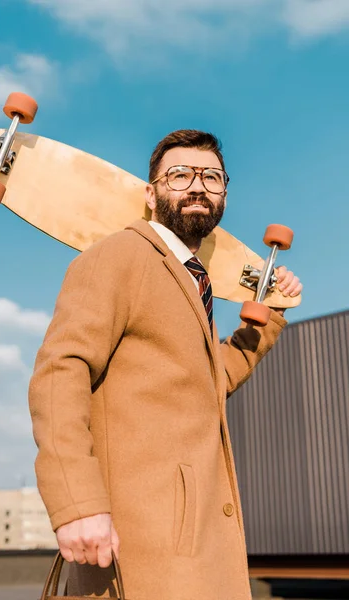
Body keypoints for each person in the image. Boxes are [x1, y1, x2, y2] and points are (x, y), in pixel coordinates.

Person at [28, 130, 302, 600]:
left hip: (195, 543)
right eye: (180, 175)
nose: (198, 186)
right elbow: (61, 371)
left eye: (212, 178)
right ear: (151, 194)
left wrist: (271, 312)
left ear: (224, 195)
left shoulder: (193, 282)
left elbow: (211, 379)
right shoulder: (119, 255)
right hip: (136, 544)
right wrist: (76, 502)